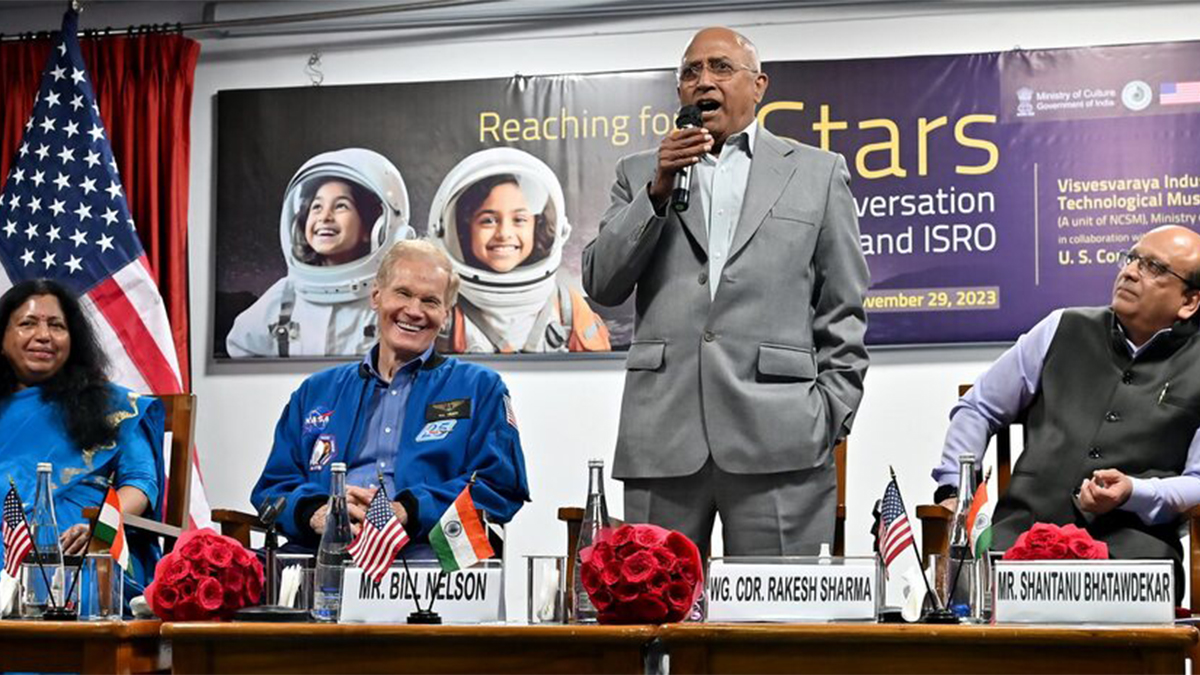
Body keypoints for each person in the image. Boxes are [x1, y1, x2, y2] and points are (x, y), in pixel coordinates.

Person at [582, 27, 869, 556]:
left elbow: (843, 308)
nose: (702, 81)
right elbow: (601, 283)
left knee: (777, 626)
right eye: (690, 72)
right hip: (661, 436)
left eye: (719, 68)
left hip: (782, 436)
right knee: (653, 616)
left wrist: (828, 414)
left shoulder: (817, 173)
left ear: (758, 85)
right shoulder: (640, 173)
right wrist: (657, 191)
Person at [933, 225, 1200, 590]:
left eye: (1154, 268)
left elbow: (1197, 483)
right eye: (1132, 258)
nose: (1131, 271)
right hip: (1021, 544)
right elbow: (978, 408)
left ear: (1189, 302)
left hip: (1133, 560)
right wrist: (954, 491)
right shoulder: (1061, 327)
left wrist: (1134, 492)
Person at [251, 239, 530, 553]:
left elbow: (499, 486)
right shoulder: (315, 392)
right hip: (322, 553)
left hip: (429, 554)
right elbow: (272, 489)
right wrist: (313, 513)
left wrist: (408, 511)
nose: (414, 311)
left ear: (446, 316)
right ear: (376, 296)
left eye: (430, 301)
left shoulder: (481, 388)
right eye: (403, 293)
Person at [0, 279, 165, 596]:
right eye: (27, 324)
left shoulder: (113, 406)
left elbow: (142, 483)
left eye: (57, 326)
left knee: (79, 581)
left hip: (86, 547)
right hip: (8, 543)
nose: (44, 336)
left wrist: (101, 528)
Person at [226, 147, 415, 358]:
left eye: (341, 206)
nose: (325, 217)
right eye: (316, 207)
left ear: (373, 227)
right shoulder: (285, 298)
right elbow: (241, 350)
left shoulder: (393, 303)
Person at [429, 148, 609, 353]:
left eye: (519, 220)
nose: (504, 233)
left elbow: (597, 378)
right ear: (462, 229)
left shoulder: (567, 308)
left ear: (538, 227)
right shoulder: (445, 312)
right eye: (488, 220)